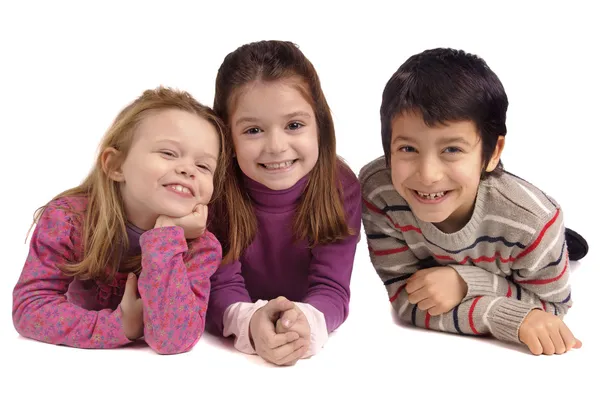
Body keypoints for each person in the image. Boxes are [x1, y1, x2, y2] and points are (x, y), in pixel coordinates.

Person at [360, 48, 584, 355]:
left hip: (515, 236)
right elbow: (405, 297)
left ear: (493, 152)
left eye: (452, 149)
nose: (427, 175)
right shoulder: (379, 192)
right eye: (408, 149)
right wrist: (490, 309)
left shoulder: (535, 223)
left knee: (537, 240)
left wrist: (468, 282)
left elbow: (552, 308)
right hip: (485, 240)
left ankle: (563, 245)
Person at [12, 87, 227, 355]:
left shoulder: (201, 248)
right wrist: (120, 326)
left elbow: (174, 339)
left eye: (204, 166)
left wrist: (166, 238)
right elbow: (29, 307)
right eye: (168, 153)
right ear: (115, 165)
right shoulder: (69, 220)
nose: (187, 169)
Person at [206, 40, 362, 366]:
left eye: (294, 125)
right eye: (253, 130)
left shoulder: (340, 186)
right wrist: (250, 323)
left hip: (303, 316)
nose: (276, 146)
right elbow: (221, 286)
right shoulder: (214, 192)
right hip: (235, 320)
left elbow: (331, 286)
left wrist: (307, 322)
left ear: (319, 124)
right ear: (227, 137)